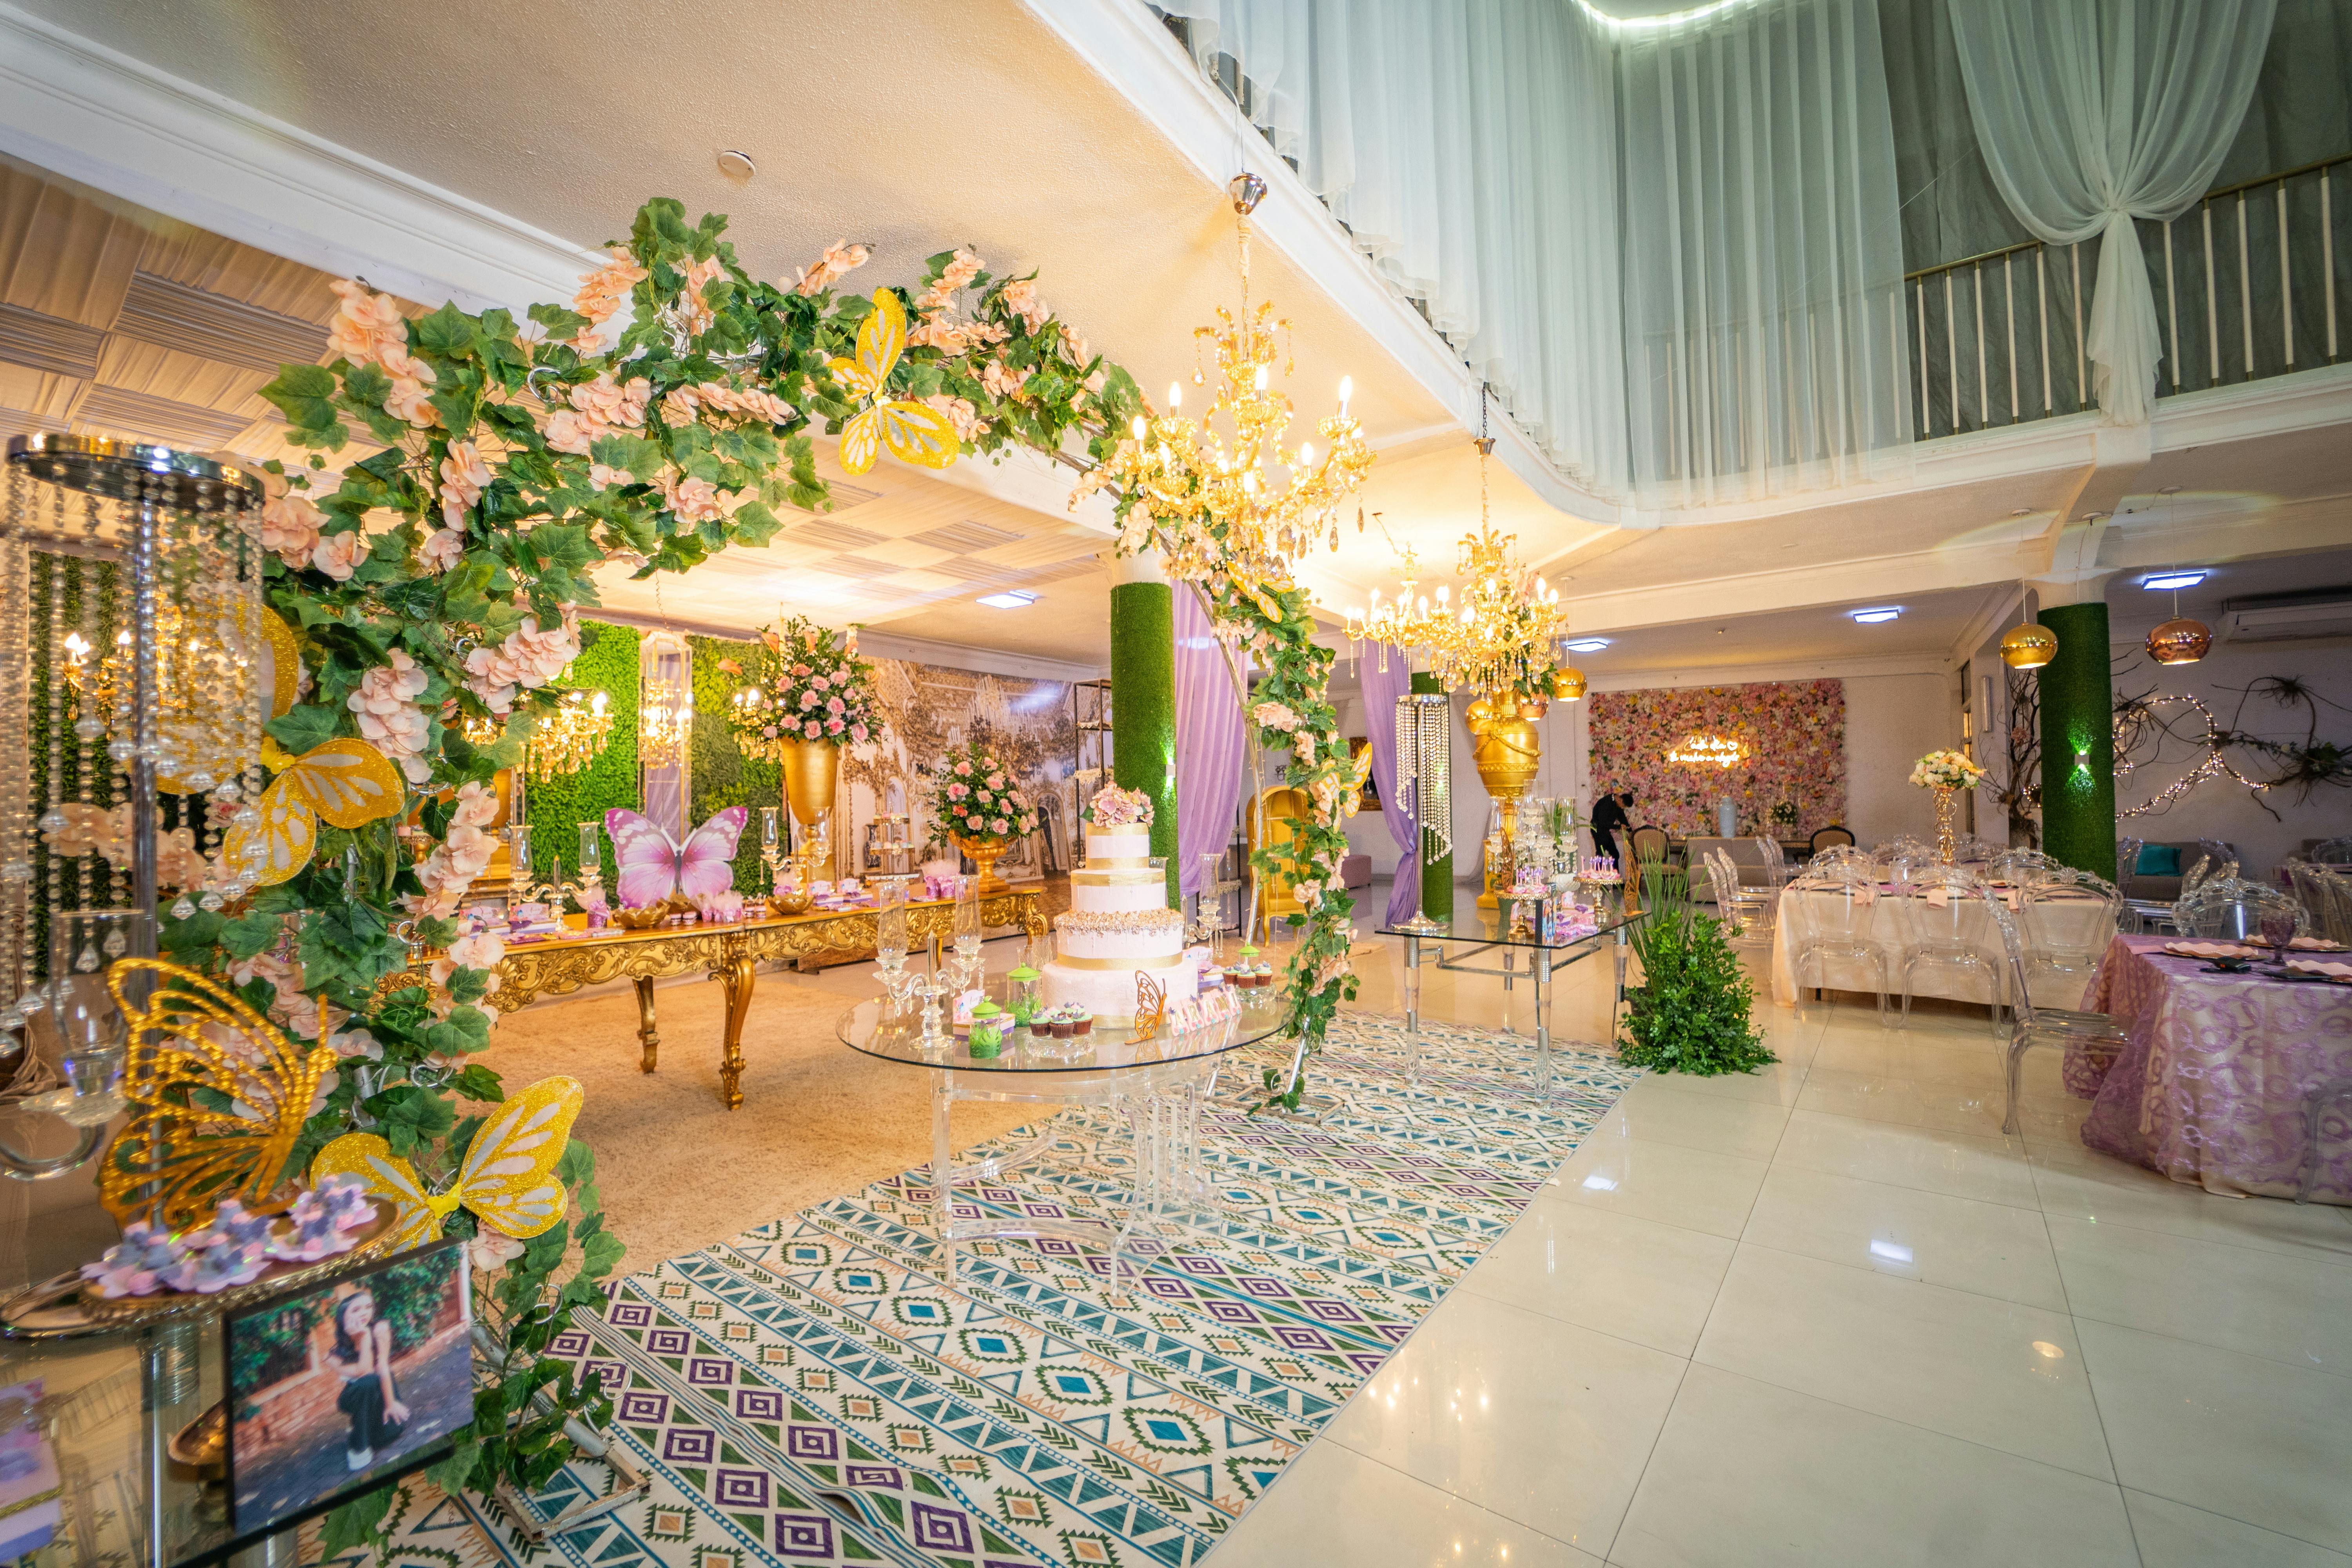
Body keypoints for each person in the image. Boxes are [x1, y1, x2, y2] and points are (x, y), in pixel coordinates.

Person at [327, 1288, 409, 1471]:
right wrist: (364, 1337)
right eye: (356, 1310)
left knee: (390, 1434)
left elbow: (382, 1367)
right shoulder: (332, 1356)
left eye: (368, 1307)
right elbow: (363, 1371)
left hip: (382, 1386)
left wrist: (391, 1404)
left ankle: (359, 1424)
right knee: (368, 1382)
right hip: (354, 1394)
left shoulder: (380, 1329)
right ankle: (358, 1447)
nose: (364, 1313)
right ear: (343, 1318)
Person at [1590, 790, 1633, 867]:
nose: (1623, 808)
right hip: (1598, 829)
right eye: (1624, 806)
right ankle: (1598, 873)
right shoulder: (1606, 803)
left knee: (1615, 854)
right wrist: (1619, 827)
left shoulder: (1617, 804)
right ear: (1621, 800)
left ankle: (1615, 873)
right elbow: (1603, 822)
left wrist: (1628, 828)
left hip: (1605, 830)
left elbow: (1621, 816)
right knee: (1601, 854)